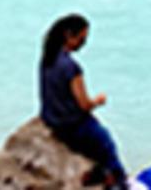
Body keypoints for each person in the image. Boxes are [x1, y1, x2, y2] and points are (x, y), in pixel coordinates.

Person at [39, 14, 126, 187]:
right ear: (69, 36)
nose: (83, 44)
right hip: (71, 126)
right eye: (82, 39)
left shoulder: (48, 59)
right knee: (106, 143)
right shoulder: (71, 67)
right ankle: (118, 182)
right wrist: (98, 101)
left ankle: (99, 174)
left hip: (52, 119)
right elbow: (84, 105)